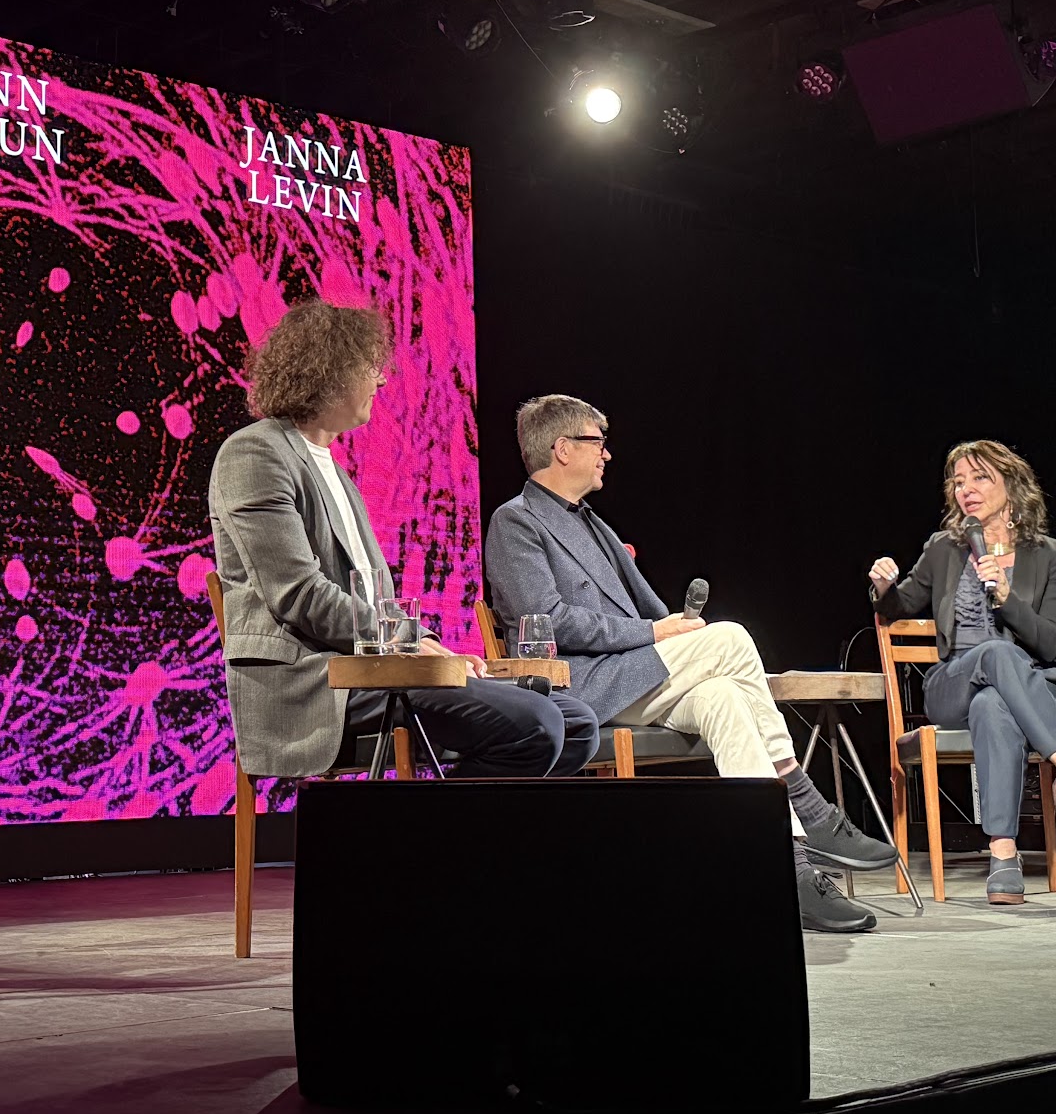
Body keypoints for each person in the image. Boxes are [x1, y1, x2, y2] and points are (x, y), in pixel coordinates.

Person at [484, 395, 897, 934]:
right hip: (577, 687)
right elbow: (549, 622)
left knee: (724, 695)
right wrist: (658, 633)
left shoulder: (592, 523)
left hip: (628, 677)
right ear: (563, 450)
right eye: (597, 443)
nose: (607, 454)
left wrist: (679, 629)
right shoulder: (515, 522)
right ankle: (806, 802)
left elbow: (654, 611)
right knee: (731, 638)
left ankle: (785, 868)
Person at [209, 301, 598, 782]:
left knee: (578, 723)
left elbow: (377, 600)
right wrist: (410, 647)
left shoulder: (335, 470)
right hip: (315, 682)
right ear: (330, 370)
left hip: (372, 671)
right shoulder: (254, 453)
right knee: (536, 724)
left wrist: (432, 648)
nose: (382, 380)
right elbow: (298, 594)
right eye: (371, 366)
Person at [869, 439, 1056, 906]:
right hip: (951, 685)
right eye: (958, 480)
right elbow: (901, 605)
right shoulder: (943, 549)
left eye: (979, 477)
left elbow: (1052, 644)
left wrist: (1007, 597)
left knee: (993, 703)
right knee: (990, 656)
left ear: (1012, 486)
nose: (966, 488)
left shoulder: (1054, 556)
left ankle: (1003, 856)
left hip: (1023, 688)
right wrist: (884, 586)